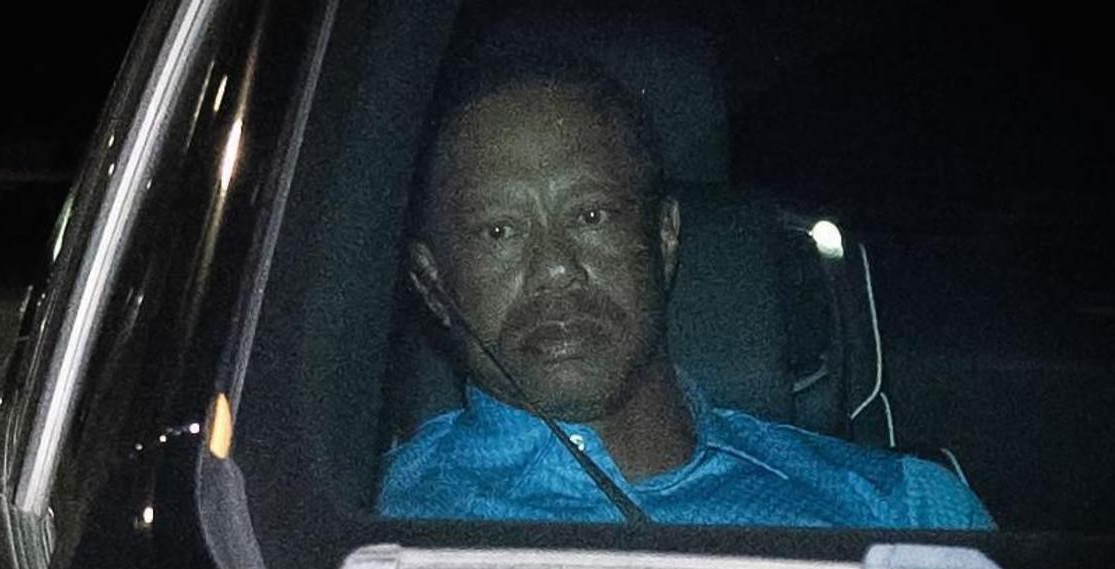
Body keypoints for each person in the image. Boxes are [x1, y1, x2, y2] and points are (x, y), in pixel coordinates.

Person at [379, 55, 995, 528]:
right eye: (499, 231)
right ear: (432, 283)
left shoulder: (903, 513)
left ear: (665, 237)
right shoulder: (369, 522)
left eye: (591, 216)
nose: (555, 268)